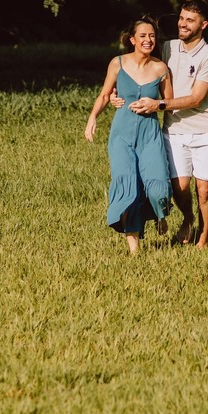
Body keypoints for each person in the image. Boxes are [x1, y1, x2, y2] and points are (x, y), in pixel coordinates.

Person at [126, 0, 208, 248]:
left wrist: (158, 105)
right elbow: (140, 66)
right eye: (181, 18)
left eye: (190, 20)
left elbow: (196, 98)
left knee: (204, 190)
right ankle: (188, 218)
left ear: (203, 25)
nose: (183, 24)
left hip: (204, 131)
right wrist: (118, 92)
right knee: (180, 187)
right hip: (174, 131)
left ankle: (204, 239)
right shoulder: (168, 48)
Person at [84, 16, 174, 255]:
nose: (148, 40)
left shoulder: (161, 68)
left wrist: (155, 104)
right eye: (142, 36)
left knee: (157, 186)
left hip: (149, 135)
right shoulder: (118, 63)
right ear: (132, 40)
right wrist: (93, 118)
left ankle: (159, 213)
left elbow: (170, 102)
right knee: (128, 187)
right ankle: (134, 249)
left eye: (152, 36)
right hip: (121, 135)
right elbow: (105, 95)